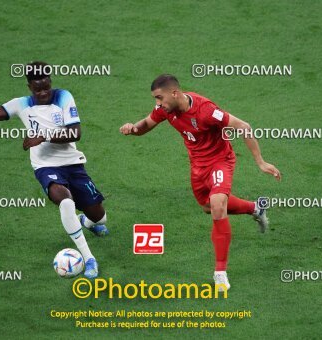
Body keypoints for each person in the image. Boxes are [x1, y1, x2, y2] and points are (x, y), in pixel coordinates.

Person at [119, 74, 281, 291]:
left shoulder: (205, 110)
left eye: (159, 97)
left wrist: (260, 162)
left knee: (216, 207)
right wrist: (133, 129)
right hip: (198, 167)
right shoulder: (165, 110)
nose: (157, 103)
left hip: (220, 161)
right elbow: (146, 124)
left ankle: (220, 272)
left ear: (174, 93)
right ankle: (255, 208)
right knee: (207, 207)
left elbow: (243, 125)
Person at [0, 54, 108, 279]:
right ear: (29, 86)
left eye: (46, 86)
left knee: (100, 217)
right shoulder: (21, 104)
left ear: (50, 81)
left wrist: (43, 136)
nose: (43, 92)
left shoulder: (64, 97)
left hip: (73, 164)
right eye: (38, 89)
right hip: (45, 167)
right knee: (65, 201)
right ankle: (88, 258)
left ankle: (86, 221)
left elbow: (76, 133)